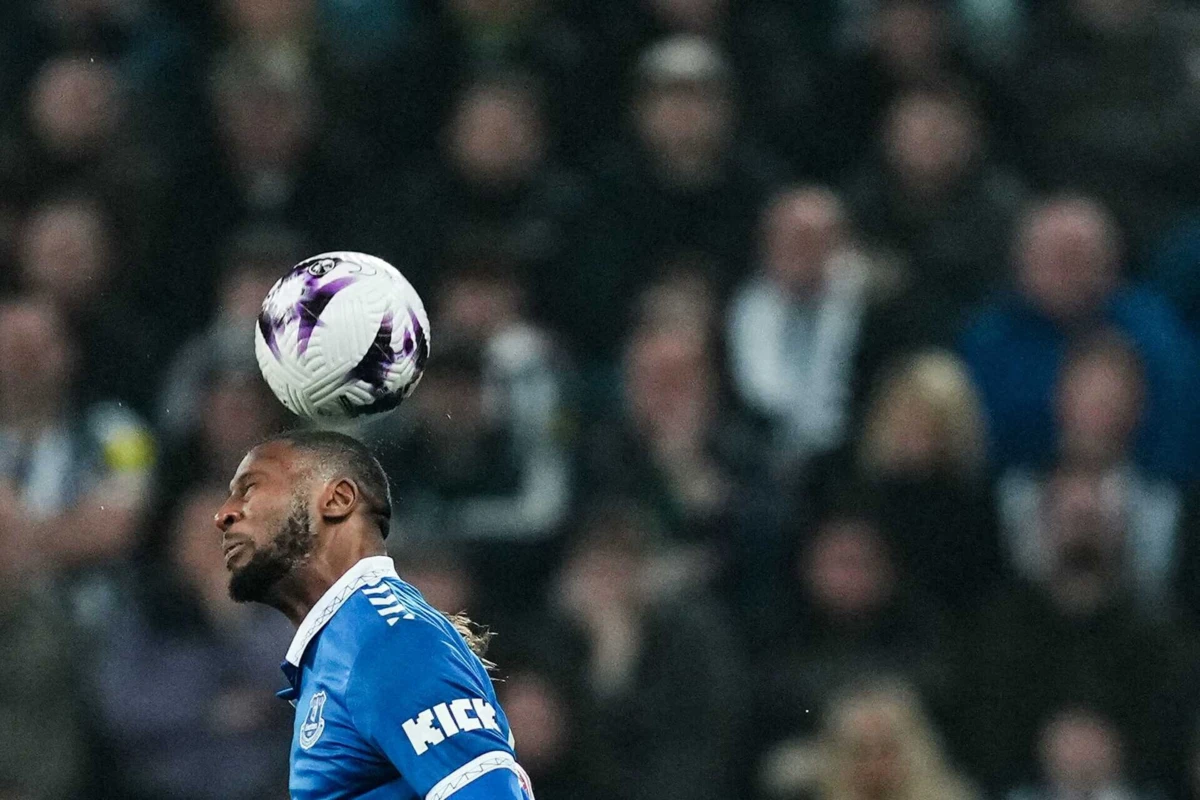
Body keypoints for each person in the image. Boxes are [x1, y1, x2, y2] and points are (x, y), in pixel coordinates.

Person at [213, 429, 534, 799]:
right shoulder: (347, 643)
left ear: (338, 499)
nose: (223, 514)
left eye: (249, 488)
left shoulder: (389, 641)